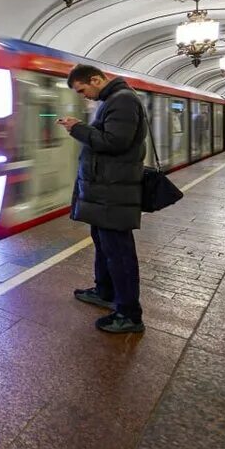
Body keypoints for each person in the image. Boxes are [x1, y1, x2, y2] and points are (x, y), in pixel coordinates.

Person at [56, 64, 148, 334]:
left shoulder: (123, 100)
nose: (84, 96)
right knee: (104, 245)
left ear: (96, 80)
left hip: (114, 192)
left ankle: (129, 314)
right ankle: (105, 291)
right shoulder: (114, 99)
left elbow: (115, 142)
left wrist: (78, 128)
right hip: (106, 192)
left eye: (83, 89)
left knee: (119, 254)